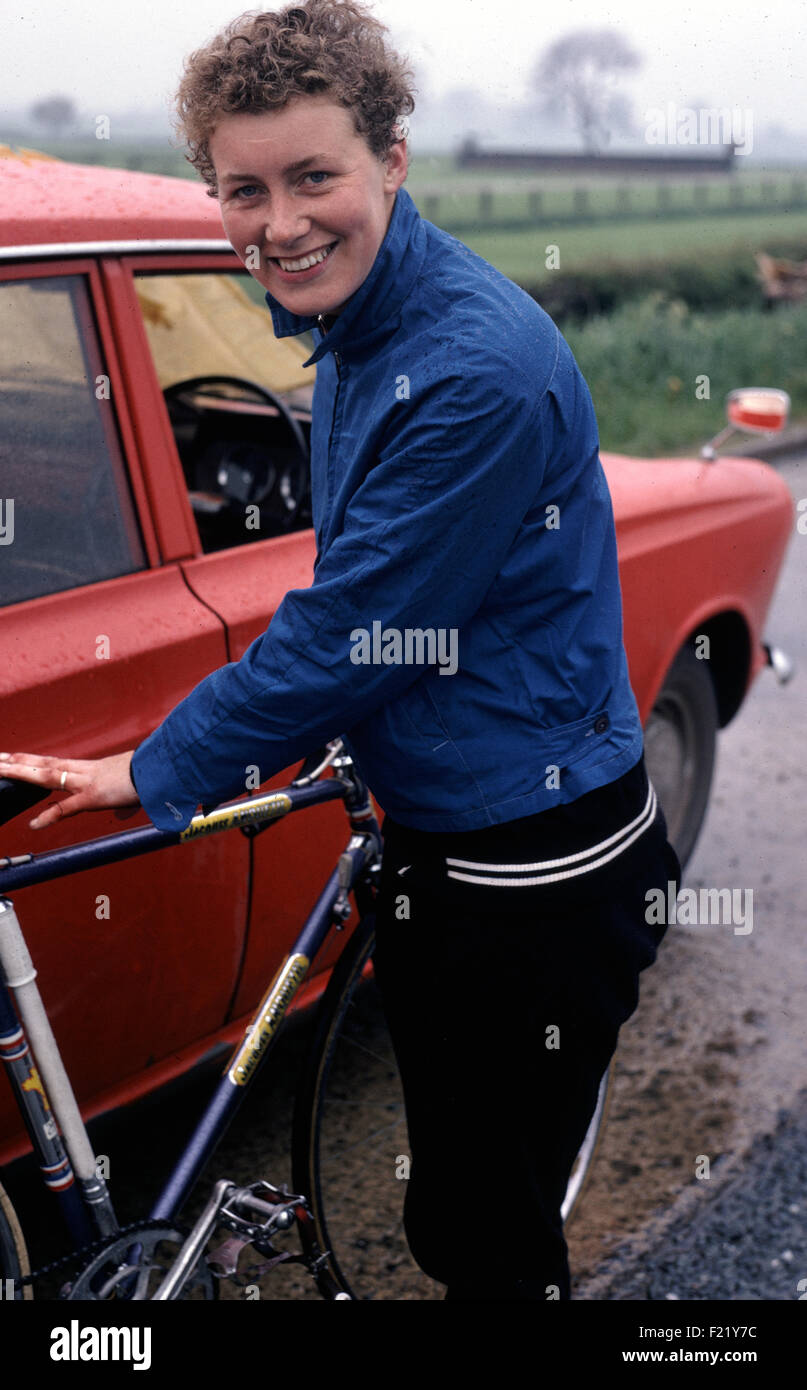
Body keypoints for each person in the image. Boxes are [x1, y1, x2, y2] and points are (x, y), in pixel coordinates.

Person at [0, 0, 681, 1299]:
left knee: (484, 1238)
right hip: (443, 825)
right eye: (242, 189)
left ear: (392, 162)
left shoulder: (473, 368)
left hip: (530, 865)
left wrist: (155, 766)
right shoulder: (355, 323)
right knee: (455, 1192)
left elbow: (354, 628)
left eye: (314, 175)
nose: (280, 222)